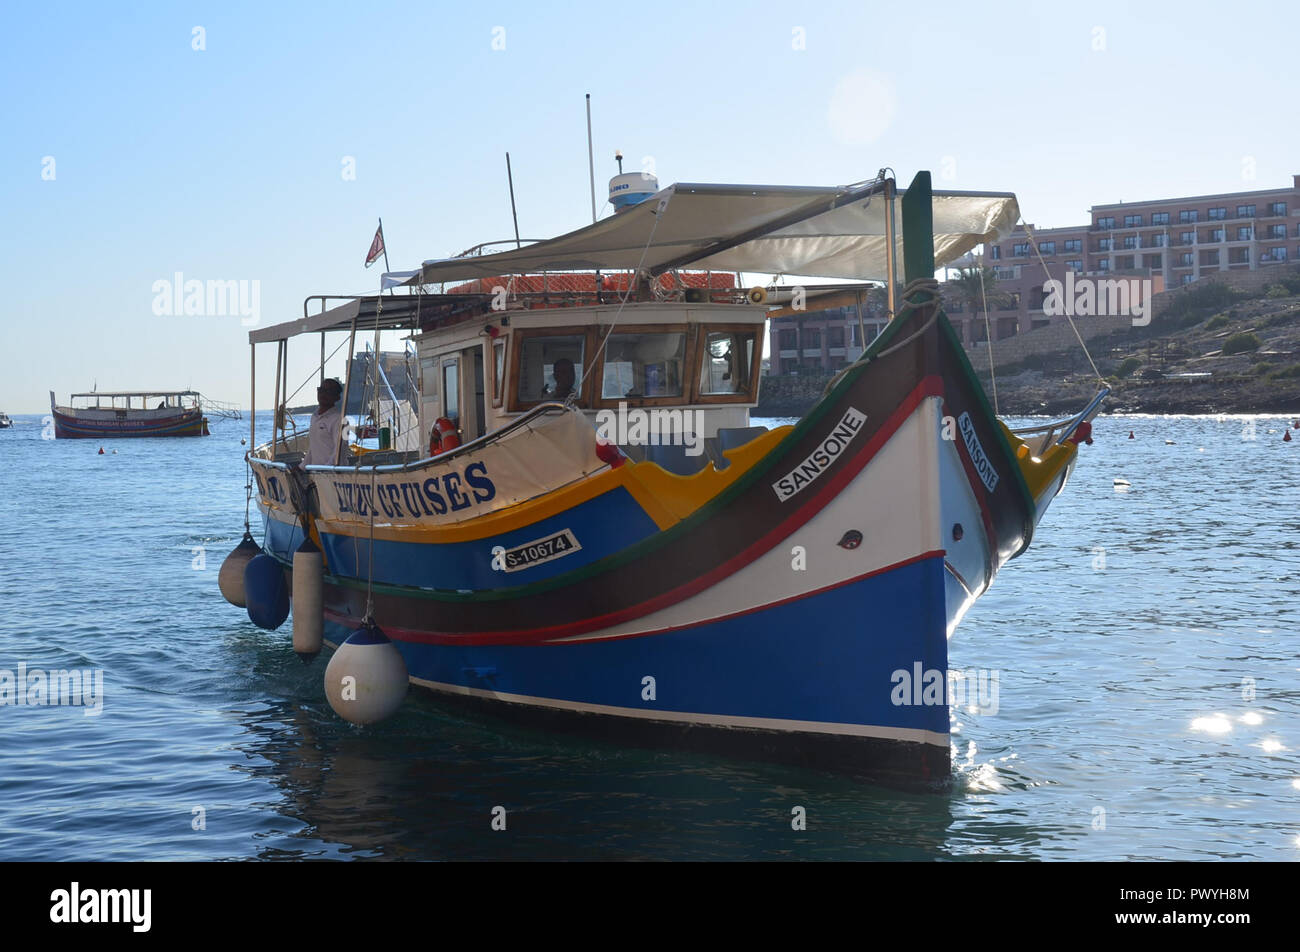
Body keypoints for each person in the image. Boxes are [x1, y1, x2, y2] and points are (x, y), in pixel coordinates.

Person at [304, 378, 344, 465]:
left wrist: (325, 470)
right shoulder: (314, 417)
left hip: (333, 474)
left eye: (329, 391)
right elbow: (313, 447)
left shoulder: (340, 420)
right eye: (321, 390)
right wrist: (302, 467)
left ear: (337, 397)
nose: (323, 394)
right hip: (317, 473)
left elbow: (340, 450)